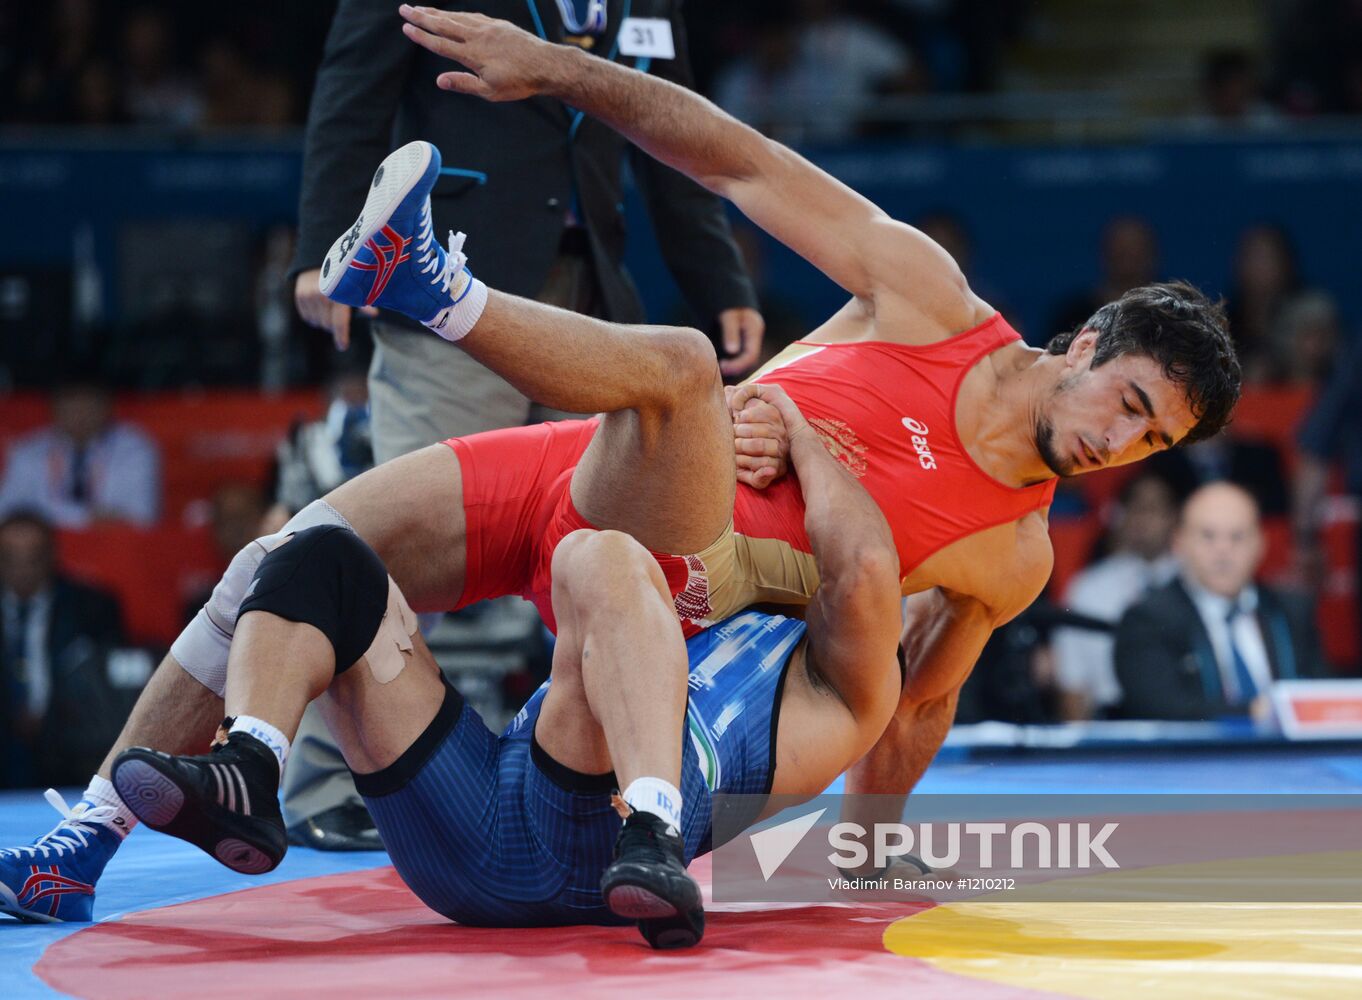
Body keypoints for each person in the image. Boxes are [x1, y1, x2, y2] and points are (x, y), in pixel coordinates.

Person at [0, 9, 1239, 922]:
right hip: (592, 470)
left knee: (686, 374)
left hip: (671, 569)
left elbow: (909, 702)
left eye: (1153, 444)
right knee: (287, 560)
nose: (1119, 447)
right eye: (1129, 405)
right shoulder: (926, 297)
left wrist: (874, 854)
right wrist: (560, 74)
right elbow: (737, 158)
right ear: (1087, 342)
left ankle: (437, 290)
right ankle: (84, 841)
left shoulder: (1012, 549)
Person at [105, 383, 900, 949]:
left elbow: (864, 566)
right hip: (475, 821)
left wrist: (796, 432)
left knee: (605, 556)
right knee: (320, 558)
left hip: (596, 841)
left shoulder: (849, 686)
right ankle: (251, 761)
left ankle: (653, 827)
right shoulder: (705, 593)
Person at [1114, 483, 1328, 721]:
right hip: (1196, 758)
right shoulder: (1148, 619)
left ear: (1260, 544)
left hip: (1294, 758)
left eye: (1237, 536)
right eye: (1208, 536)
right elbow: (1161, 709)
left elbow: (1321, 695)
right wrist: (1255, 714)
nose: (1223, 549)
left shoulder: (1291, 611)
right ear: (1179, 543)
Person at [1, 512, 126, 790]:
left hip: (73, 749)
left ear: (52, 555)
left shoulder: (93, 607)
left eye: (33, 558)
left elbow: (111, 689)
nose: (22, 568)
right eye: (10, 558)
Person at [1052, 471, 1179, 720]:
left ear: (1175, 517)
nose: (1144, 518)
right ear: (1121, 516)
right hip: (1111, 717)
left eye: (1155, 508)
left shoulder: (1194, 581)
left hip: (1182, 715)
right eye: (1135, 507)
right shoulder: (1090, 587)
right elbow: (1072, 683)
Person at [0, 377, 161, 529]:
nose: (80, 416)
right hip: (44, 547)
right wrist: (88, 518)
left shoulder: (136, 449)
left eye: (88, 407)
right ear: (53, 409)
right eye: (71, 407)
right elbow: (6, 512)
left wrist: (45, 516)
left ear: (107, 408)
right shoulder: (28, 451)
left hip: (115, 546)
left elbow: (143, 517)